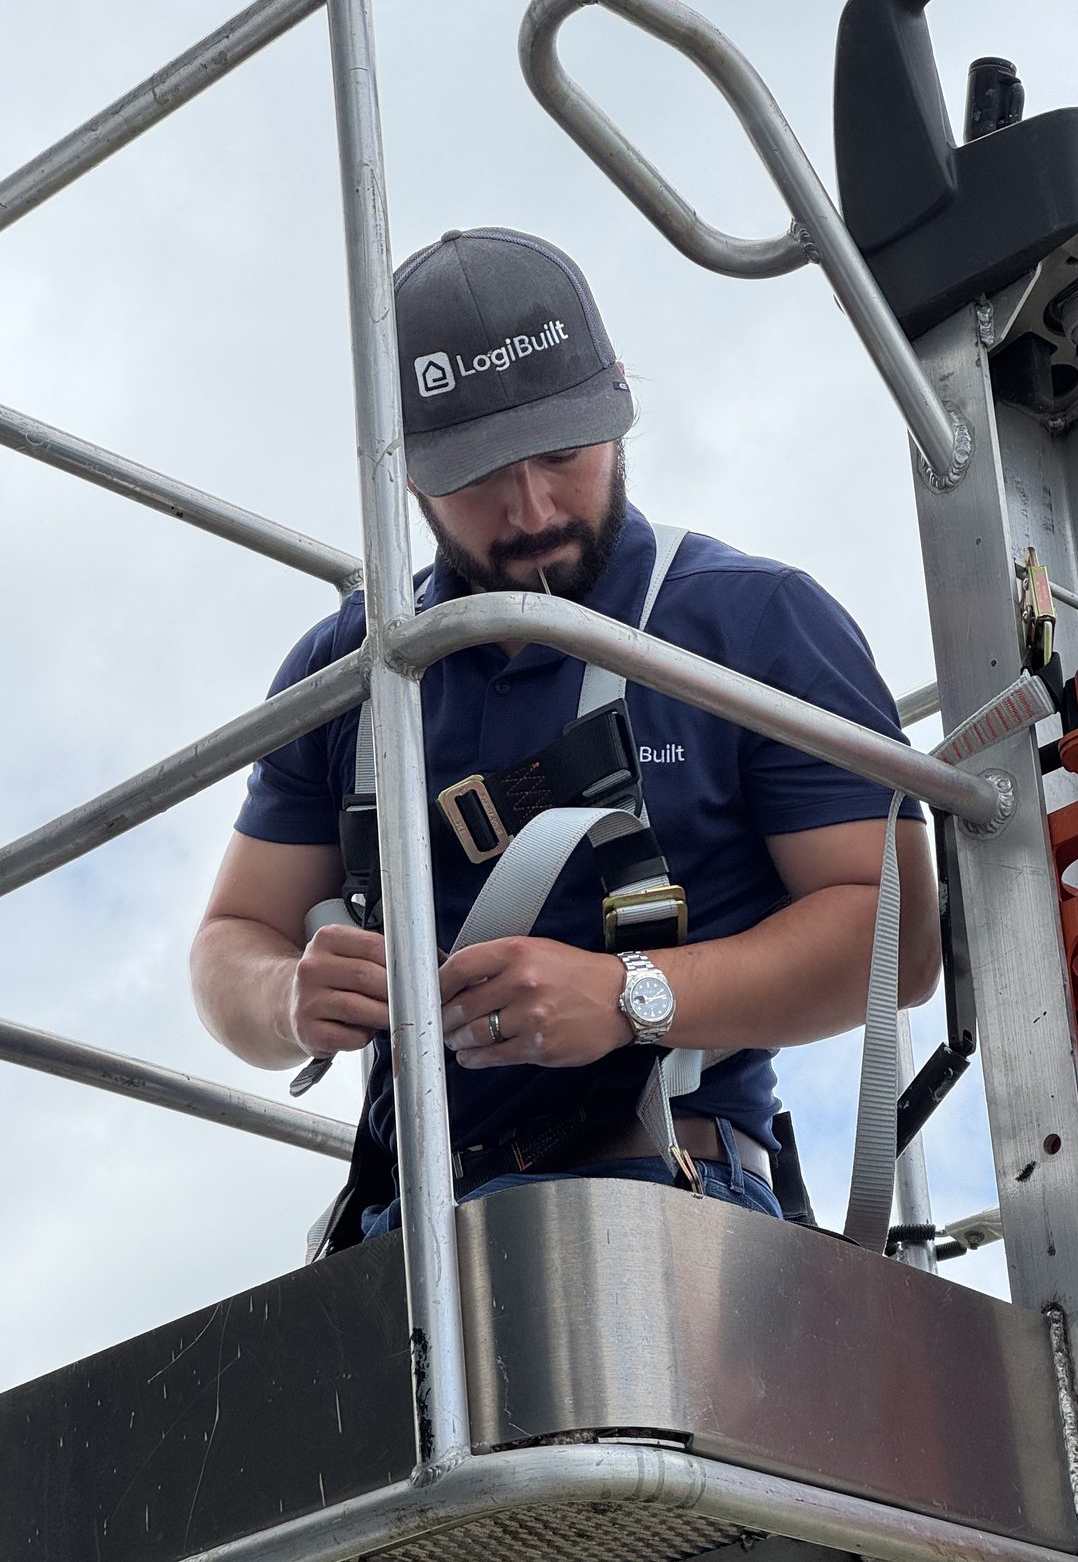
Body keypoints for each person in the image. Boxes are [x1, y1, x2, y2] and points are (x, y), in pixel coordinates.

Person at [190, 226, 941, 1245]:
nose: (533, 509)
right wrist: (285, 996)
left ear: (620, 404)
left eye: (560, 453)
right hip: (396, 1235)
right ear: (402, 473)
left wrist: (633, 995)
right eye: (477, 475)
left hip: (666, 1197)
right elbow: (231, 939)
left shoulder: (756, 625)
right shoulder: (347, 672)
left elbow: (897, 939)